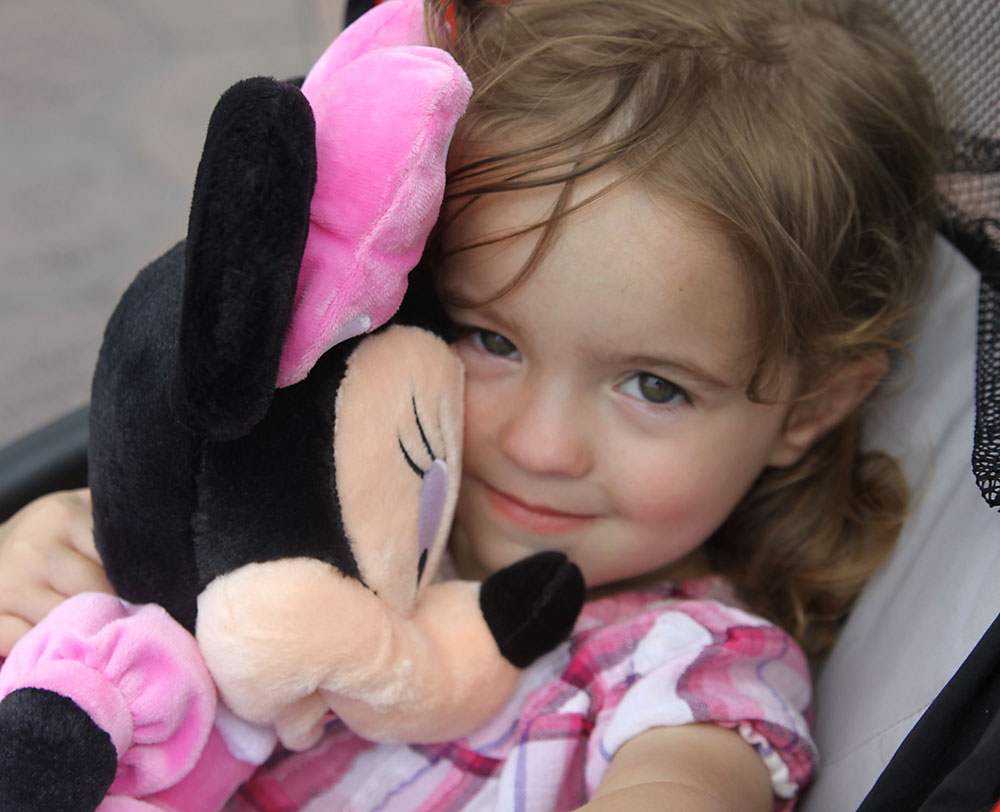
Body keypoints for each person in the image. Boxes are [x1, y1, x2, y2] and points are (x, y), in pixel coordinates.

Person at [0, 0, 943, 808]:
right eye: (491, 339)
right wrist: (48, 567)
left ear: (811, 405)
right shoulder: (335, 498)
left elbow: (684, 786)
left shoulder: (685, 673)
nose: (540, 445)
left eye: (655, 386)